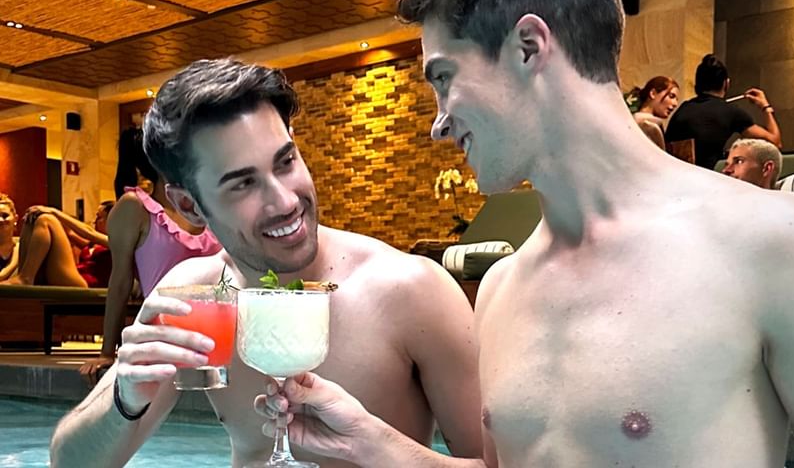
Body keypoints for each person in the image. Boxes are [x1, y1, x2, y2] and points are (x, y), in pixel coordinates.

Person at [254, 0, 794, 468]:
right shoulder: (500, 287)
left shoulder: (772, 243)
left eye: (444, 78)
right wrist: (373, 444)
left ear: (528, 48)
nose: (437, 122)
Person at [50, 59, 482, 468]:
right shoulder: (194, 300)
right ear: (188, 205)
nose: (285, 201)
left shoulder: (411, 292)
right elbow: (67, 463)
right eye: (243, 184)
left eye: (286, 161)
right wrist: (124, 399)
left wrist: (375, 445)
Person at [78, 127, 222, 377]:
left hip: (218, 327)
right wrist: (106, 353)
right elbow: (120, 282)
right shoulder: (133, 207)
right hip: (165, 332)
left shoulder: (207, 205)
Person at [665, 54, 782, 169]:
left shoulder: (683, 109)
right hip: (705, 181)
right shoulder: (731, 111)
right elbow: (774, 143)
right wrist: (765, 106)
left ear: (697, 85)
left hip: (673, 179)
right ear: (726, 84)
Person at [0, 202, 113, 287]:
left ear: (112, 219)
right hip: (74, 275)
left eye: (99, 217)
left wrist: (53, 212)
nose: (94, 220)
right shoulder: (92, 245)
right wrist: (38, 213)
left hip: (84, 283)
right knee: (32, 219)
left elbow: (90, 233)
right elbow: (70, 232)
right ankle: (23, 276)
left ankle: (25, 278)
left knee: (45, 219)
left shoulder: (119, 242)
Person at [630, 76, 679, 149]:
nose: (675, 103)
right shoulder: (649, 125)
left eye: (677, 99)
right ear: (653, 93)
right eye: (671, 96)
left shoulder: (632, 121)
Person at [0, 193, 19, 281]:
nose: (0, 220)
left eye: (5, 215)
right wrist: (14, 262)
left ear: (15, 219)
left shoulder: (24, 247)